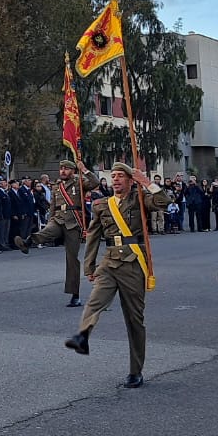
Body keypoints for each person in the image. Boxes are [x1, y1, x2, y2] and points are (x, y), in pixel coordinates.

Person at [64, 163, 169, 389]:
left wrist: (146, 183)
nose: (116, 179)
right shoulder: (102, 205)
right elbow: (93, 234)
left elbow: (163, 202)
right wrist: (89, 266)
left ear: (130, 181)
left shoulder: (139, 200)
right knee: (95, 301)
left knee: (134, 320)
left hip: (133, 264)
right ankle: (83, 335)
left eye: (121, 176)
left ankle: (135, 370)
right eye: (113, 176)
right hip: (109, 262)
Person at [16, 161, 100, 307]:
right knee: (47, 231)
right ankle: (27, 242)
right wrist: (50, 220)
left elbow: (94, 182)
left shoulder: (79, 182)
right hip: (58, 219)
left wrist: (84, 170)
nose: (62, 171)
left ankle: (75, 295)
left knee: (72, 258)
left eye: (66, 169)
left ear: (72, 170)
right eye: (61, 168)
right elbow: (53, 206)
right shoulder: (57, 186)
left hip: (73, 222)